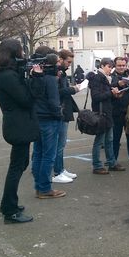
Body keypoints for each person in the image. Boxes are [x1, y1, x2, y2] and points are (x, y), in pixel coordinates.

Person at [0, 38, 44, 224]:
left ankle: (8, 204)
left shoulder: (8, 73)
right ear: (14, 53)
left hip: (18, 124)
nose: (23, 54)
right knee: (16, 168)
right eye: (21, 51)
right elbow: (26, 99)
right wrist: (36, 78)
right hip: (18, 126)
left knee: (20, 164)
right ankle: (10, 209)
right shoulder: (8, 76)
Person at [32, 51, 66, 199]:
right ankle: (45, 188)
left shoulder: (36, 77)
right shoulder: (51, 79)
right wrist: (59, 114)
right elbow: (53, 101)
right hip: (50, 119)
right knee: (49, 155)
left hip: (38, 118)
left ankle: (39, 186)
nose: (60, 63)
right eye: (58, 61)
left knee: (38, 153)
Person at [88, 58, 126, 174]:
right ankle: (97, 165)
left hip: (107, 112)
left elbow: (104, 94)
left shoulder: (104, 77)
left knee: (109, 140)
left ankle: (111, 162)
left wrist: (115, 93)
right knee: (99, 141)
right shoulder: (97, 78)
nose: (111, 70)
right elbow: (96, 96)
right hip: (101, 113)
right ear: (103, 66)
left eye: (111, 67)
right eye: (109, 67)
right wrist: (111, 93)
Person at [52, 49, 80, 184]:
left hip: (64, 109)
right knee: (59, 143)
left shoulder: (61, 73)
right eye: (68, 62)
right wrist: (73, 89)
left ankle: (60, 169)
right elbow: (57, 92)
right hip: (61, 110)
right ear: (61, 59)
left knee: (61, 143)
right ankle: (58, 171)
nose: (69, 64)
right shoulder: (57, 73)